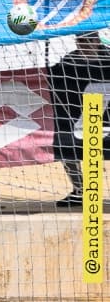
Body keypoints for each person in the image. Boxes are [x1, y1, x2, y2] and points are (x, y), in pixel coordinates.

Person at [49, 31, 110, 207]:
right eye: (80, 41)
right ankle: (80, 189)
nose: (83, 45)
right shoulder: (68, 62)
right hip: (80, 124)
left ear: (97, 41)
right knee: (61, 142)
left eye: (87, 41)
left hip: (105, 122)